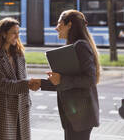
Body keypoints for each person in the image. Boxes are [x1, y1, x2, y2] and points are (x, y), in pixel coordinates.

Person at [31, 10, 100, 140]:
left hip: (81, 117)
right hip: (75, 117)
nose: (56, 28)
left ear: (69, 25)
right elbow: (64, 83)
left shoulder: (80, 46)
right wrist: (41, 83)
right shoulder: (74, 46)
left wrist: (61, 78)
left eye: (59, 24)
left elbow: (90, 79)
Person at [0, 17, 38, 140]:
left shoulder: (19, 54)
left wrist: (28, 90)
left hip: (21, 108)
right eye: (14, 33)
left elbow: (22, 77)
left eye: (18, 33)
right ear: (3, 34)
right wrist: (28, 84)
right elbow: (2, 83)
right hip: (3, 109)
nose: (17, 36)